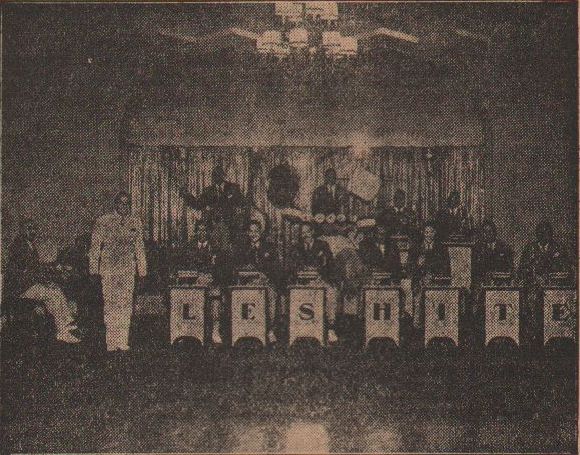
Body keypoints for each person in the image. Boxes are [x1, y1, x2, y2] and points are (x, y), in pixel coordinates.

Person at [89, 191, 147, 352]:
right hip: (109, 270)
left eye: (127, 203)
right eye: (121, 203)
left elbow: (139, 249)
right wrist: (93, 270)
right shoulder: (103, 221)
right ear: (115, 204)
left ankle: (123, 341)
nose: (124, 206)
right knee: (111, 304)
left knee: (126, 304)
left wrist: (142, 273)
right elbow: (95, 248)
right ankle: (111, 342)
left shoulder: (135, 222)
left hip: (128, 270)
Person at [5, 219, 79, 343]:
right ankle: (62, 331)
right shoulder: (19, 246)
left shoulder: (29, 245)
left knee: (56, 290)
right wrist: (45, 281)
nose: (32, 231)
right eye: (29, 228)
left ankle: (66, 323)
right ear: (22, 230)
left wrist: (49, 273)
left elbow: (36, 267)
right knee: (51, 294)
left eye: (34, 228)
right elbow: (27, 271)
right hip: (20, 289)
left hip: (28, 285)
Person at [177, 222, 234, 344]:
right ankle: (187, 331)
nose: (202, 233)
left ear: (209, 233)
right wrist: (195, 277)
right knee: (183, 296)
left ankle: (215, 330)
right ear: (195, 232)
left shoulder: (216, 249)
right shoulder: (189, 249)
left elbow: (222, 271)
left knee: (216, 296)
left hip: (211, 283)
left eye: (204, 230)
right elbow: (184, 268)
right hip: (193, 284)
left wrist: (211, 277)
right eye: (199, 230)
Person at [517, 221, 572, 347]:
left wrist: (553, 275)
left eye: (546, 232)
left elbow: (566, 268)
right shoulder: (530, 248)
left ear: (551, 234)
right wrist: (533, 276)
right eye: (541, 232)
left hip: (554, 285)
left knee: (560, 301)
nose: (544, 235)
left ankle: (557, 335)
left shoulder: (558, 248)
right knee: (530, 300)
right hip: (534, 286)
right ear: (537, 234)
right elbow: (522, 269)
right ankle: (534, 336)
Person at [288, 222, 338, 342]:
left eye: (307, 232)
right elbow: (291, 266)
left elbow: (330, 265)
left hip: (318, 280)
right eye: (302, 232)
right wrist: (299, 273)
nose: (305, 235)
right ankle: (298, 329)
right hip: (301, 282)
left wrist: (322, 272)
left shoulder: (323, 245)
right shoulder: (296, 247)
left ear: (312, 232)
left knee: (331, 293)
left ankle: (330, 328)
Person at [236, 220, 284, 343]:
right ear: (247, 233)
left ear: (261, 232)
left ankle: (270, 330)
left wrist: (266, 275)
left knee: (272, 296)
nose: (253, 234)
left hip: (266, 282)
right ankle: (245, 329)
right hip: (248, 282)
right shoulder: (242, 248)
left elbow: (276, 268)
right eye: (250, 231)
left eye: (256, 231)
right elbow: (237, 266)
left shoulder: (269, 247)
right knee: (238, 296)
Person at [407, 222, 451, 328]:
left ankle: (436, 326)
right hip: (419, 281)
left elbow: (446, 268)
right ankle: (417, 327)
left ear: (435, 232)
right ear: (423, 233)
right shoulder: (415, 247)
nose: (429, 234)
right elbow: (409, 267)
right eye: (426, 232)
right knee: (417, 299)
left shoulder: (441, 248)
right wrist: (417, 264)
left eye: (431, 232)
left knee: (436, 302)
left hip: (436, 281)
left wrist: (434, 275)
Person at [179, 166, 244, 229]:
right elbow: (198, 204)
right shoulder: (208, 191)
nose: (216, 177)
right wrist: (187, 195)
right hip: (213, 227)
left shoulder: (233, 188)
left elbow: (241, 203)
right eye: (214, 175)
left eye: (218, 174)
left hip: (230, 227)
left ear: (223, 176)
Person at [472, 220, 513, 287]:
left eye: (489, 231)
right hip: (483, 284)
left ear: (494, 232)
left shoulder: (504, 247)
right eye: (484, 232)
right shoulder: (478, 248)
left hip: (500, 283)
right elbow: (475, 269)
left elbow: (509, 267)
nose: (487, 234)